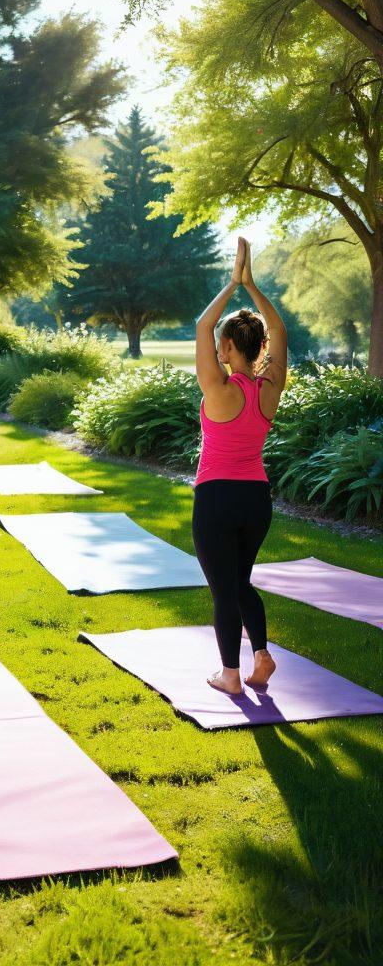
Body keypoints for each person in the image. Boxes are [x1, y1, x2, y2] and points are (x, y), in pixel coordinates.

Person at [193, 237, 288, 695]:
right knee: (240, 580)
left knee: (223, 590)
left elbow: (201, 324)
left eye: (222, 344)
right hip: (256, 498)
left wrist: (233, 284)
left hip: (216, 496)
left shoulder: (218, 388)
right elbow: (280, 332)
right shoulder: (268, 389)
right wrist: (252, 287)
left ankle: (230, 675)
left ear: (228, 346)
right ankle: (261, 656)